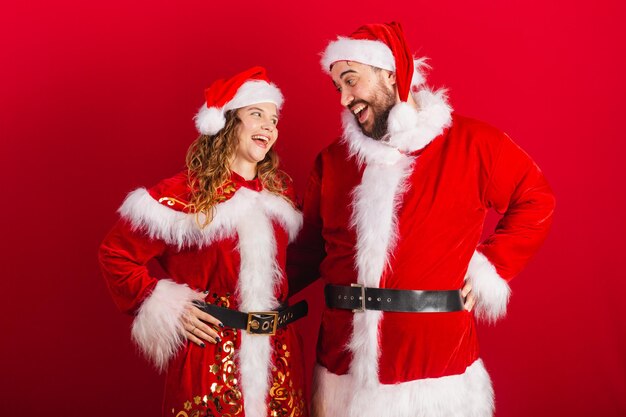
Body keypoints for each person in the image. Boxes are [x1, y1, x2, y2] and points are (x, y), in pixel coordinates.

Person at [287, 22, 555, 417]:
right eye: (337, 88)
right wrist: (230, 300)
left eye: (351, 81)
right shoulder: (332, 162)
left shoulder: (473, 144)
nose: (343, 99)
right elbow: (305, 253)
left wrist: (491, 266)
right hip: (343, 372)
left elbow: (535, 197)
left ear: (391, 73)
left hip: (437, 373)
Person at [99, 66, 308, 417]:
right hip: (211, 359)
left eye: (273, 119)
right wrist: (168, 305)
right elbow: (116, 253)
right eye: (256, 114)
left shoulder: (281, 196)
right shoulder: (185, 193)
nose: (269, 127)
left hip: (279, 360)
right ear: (227, 122)